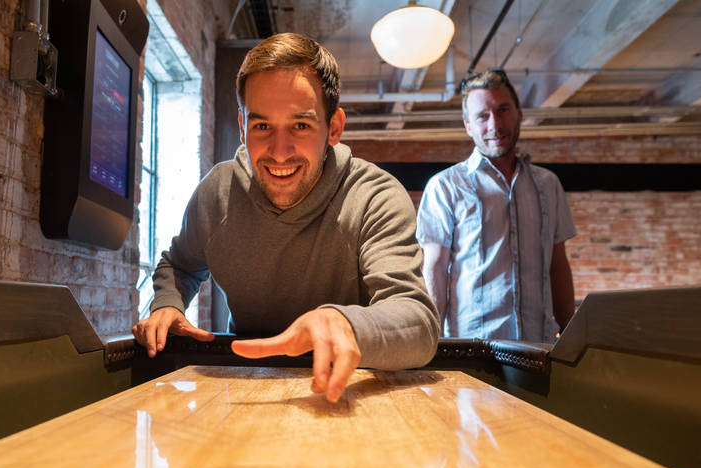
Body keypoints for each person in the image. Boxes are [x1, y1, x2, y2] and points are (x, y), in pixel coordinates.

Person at [131, 33, 438, 402]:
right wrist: (167, 303)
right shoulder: (218, 193)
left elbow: (418, 323)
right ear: (243, 126)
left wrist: (345, 322)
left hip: (349, 394)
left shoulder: (375, 195)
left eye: (301, 126)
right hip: (246, 393)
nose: (279, 152)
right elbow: (179, 266)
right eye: (262, 126)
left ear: (334, 128)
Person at [416, 68, 576, 342]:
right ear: (468, 126)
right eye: (482, 116)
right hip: (475, 355)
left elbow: (557, 266)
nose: (495, 125)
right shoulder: (445, 187)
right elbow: (435, 270)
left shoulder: (548, 184)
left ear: (519, 113)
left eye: (503, 110)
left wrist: (573, 337)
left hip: (541, 349)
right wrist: (431, 345)